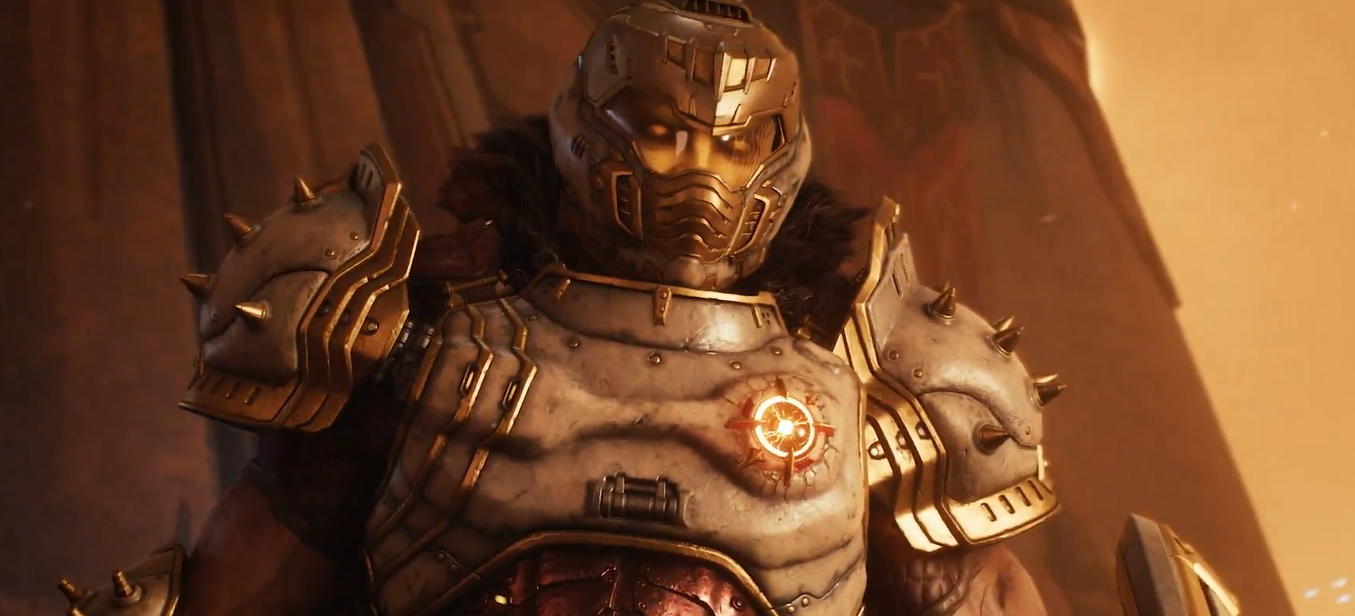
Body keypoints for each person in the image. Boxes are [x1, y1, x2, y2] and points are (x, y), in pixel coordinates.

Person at [58, 2, 1080, 614]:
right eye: (663, 131)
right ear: (585, 125)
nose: (698, 172)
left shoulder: (889, 381)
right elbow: (243, 586)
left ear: (781, 151)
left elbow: (972, 602)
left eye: (734, 143)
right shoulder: (408, 338)